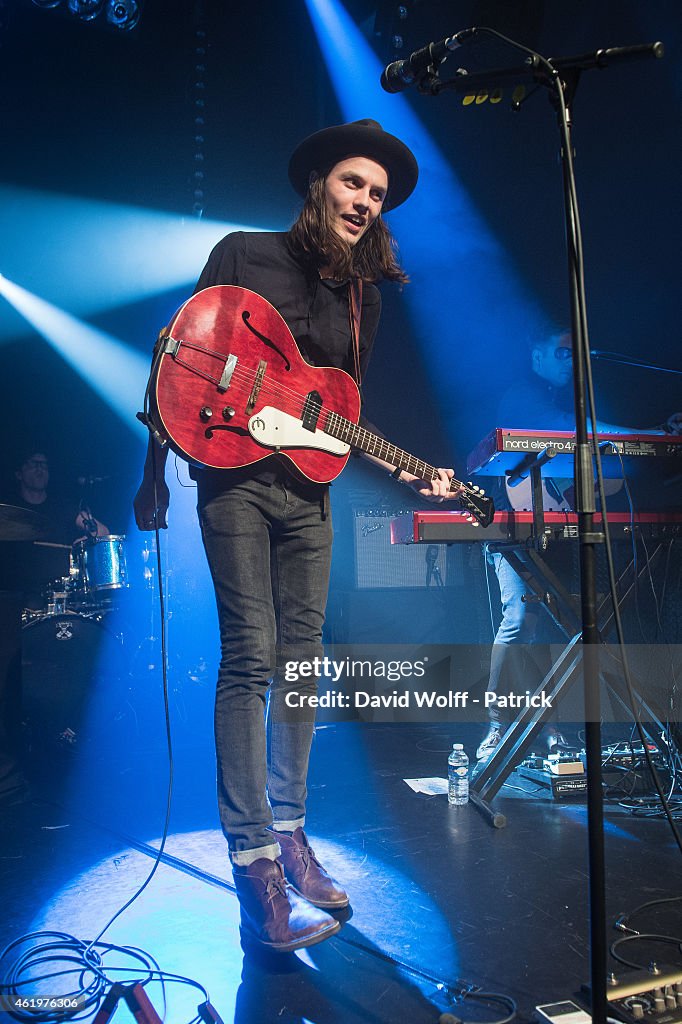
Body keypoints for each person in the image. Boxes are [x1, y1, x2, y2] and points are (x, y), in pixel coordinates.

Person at [133, 119, 459, 953]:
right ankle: (255, 868)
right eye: (355, 183)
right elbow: (174, 357)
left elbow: (341, 417)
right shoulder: (243, 253)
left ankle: (291, 834)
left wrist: (412, 470)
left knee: (300, 660)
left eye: (378, 195)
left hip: (306, 497)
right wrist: (150, 470)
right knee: (250, 655)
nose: (365, 202)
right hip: (232, 482)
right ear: (318, 182)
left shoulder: (364, 298)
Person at [476, 328, 682, 762]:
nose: (573, 360)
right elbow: (570, 431)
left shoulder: (577, 397)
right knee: (518, 618)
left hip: (560, 529)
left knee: (563, 626)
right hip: (514, 526)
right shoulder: (522, 394)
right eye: (563, 352)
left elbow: (600, 468)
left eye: (577, 354)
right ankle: (496, 724)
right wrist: (647, 431)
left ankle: (548, 730)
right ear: (537, 355)